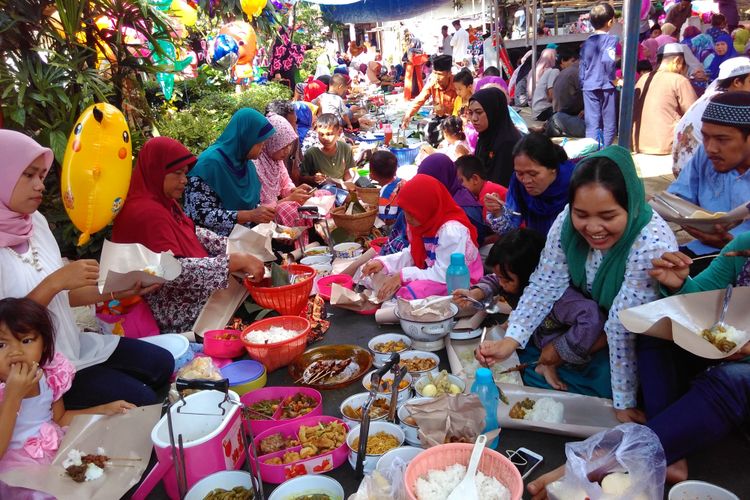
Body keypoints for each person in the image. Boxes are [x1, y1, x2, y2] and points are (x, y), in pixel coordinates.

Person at [476, 145, 678, 421]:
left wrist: (623, 402)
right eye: (581, 214)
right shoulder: (565, 223)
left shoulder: (650, 241)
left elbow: (622, 325)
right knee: (535, 352)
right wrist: (512, 339)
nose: (593, 228)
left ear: (630, 204)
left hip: (634, 334)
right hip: (588, 323)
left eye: (608, 217)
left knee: (613, 381)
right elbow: (545, 284)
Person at [0, 130, 173, 409]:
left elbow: (63, 298)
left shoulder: (35, 223)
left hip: (71, 345)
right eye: (29, 175)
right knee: (142, 399)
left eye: (42, 176)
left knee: (162, 365)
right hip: (34, 371)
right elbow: (6, 330)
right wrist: (55, 283)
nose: (40, 186)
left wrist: (116, 289)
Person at [112, 137, 265, 332]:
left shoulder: (164, 201)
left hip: (194, 297)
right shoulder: (144, 212)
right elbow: (169, 271)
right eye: (177, 173)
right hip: (175, 313)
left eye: (185, 173)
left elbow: (190, 231)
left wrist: (237, 249)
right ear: (156, 171)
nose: (184, 180)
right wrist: (231, 262)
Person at [455, 230, 608, 392]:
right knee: (520, 366)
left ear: (531, 274)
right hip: (540, 340)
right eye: (501, 277)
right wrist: (475, 294)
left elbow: (592, 317)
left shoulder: (561, 299)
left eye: (506, 280)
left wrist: (558, 352)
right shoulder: (513, 279)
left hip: (576, 348)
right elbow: (495, 279)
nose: (501, 283)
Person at [0, 298, 136, 470]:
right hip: (17, 466)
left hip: (53, 448)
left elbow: (60, 419)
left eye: (26, 340)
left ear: (44, 344)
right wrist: (13, 396)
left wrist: (103, 409)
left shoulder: (49, 374)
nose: (15, 352)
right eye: (1, 344)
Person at [360, 174, 482, 300]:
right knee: (379, 273)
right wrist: (383, 263)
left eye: (412, 213)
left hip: (456, 281)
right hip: (434, 272)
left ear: (428, 207)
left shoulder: (451, 231)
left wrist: (402, 276)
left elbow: (444, 274)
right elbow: (413, 253)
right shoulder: (424, 222)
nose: (407, 218)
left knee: (410, 292)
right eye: (405, 212)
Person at [666, 91, 750, 273]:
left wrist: (731, 242)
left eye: (722, 139)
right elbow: (675, 199)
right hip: (701, 251)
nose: (710, 148)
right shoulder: (705, 156)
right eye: (705, 137)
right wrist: (685, 219)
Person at [184, 109, 276, 237]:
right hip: (215, 244)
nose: (263, 147)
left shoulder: (246, 164)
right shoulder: (209, 165)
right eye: (260, 143)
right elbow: (200, 213)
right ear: (246, 138)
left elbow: (253, 206)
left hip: (246, 238)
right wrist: (248, 215)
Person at [672, 57, 750, 177]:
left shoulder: (713, 95)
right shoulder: (727, 104)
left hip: (683, 169)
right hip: (698, 172)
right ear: (737, 82)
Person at [485, 133, 574, 237]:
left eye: (533, 174)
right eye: (520, 173)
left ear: (553, 168)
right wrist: (497, 212)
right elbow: (510, 229)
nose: (526, 180)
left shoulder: (575, 184)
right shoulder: (518, 183)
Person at [253, 115, 317, 245]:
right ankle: (295, 250)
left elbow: (285, 184)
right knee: (289, 208)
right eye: (283, 147)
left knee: (321, 195)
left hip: (277, 205)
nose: (287, 151)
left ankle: (314, 239)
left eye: (289, 146)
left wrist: (296, 190)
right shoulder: (255, 165)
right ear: (270, 143)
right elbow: (260, 209)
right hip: (262, 217)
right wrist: (290, 198)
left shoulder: (276, 161)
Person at [632, 44, 697, 155]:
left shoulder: (643, 78)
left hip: (636, 143)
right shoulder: (679, 80)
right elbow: (694, 114)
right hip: (666, 146)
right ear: (677, 61)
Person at [418, 153, 487, 245]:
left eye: (428, 181)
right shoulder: (433, 198)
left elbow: (476, 240)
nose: (424, 187)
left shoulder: (463, 205)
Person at [580, 2, 619, 146]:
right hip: (606, 85)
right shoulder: (610, 40)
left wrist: (583, 83)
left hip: (589, 86)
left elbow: (582, 67)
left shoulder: (587, 42)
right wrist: (613, 79)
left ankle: (591, 153)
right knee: (609, 123)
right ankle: (606, 152)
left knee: (592, 124)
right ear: (610, 22)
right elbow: (608, 61)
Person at [468, 87, 522, 187]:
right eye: (471, 113)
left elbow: (499, 184)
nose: (474, 118)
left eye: (479, 112)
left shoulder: (507, 143)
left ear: (493, 112)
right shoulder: (485, 136)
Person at [401, 55, 457, 147]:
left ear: (448, 73)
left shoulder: (457, 83)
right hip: (439, 119)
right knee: (424, 128)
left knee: (442, 132)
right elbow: (420, 99)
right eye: (435, 73)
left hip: (454, 121)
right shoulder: (433, 82)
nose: (437, 77)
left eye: (440, 74)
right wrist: (408, 114)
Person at [300, 113, 354, 186]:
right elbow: (302, 177)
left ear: (339, 132)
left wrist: (348, 185)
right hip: (321, 193)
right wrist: (313, 178)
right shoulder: (311, 153)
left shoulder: (345, 149)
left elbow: (347, 172)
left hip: (341, 191)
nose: (325, 138)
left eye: (329, 134)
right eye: (321, 134)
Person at [544, 49, 585, 138]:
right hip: (563, 115)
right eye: (571, 60)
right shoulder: (557, 71)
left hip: (558, 115)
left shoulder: (564, 72)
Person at [455, 154, 508, 222]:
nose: (459, 186)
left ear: (475, 179)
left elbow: (489, 228)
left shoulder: (488, 194)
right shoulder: (483, 190)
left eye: (461, 181)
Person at [369, 150, 402, 224]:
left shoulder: (385, 193)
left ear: (372, 174)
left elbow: (388, 220)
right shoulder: (400, 181)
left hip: (399, 227)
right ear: (396, 169)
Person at [530, 49, 560, 122]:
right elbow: (551, 96)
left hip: (534, 105)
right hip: (542, 110)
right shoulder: (555, 71)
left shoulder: (541, 67)